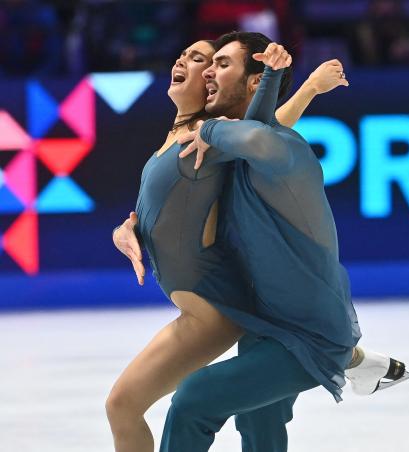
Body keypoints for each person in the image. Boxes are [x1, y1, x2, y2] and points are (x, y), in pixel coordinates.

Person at [158, 31, 409, 452]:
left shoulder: (279, 150)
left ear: (252, 82)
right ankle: (361, 364)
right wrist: (298, 84)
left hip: (310, 335)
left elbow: (259, 134)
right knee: (260, 423)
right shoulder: (245, 148)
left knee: (192, 401)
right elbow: (257, 122)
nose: (208, 72)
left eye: (221, 65)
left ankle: (355, 361)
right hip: (265, 322)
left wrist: (211, 131)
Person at [108, 39, 351, 452]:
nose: (189, 62)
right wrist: (129, 229)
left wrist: (301, 86)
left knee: (145, 405)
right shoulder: (183, 135)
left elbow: (266, 130)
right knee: (258, 420)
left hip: (212, 309)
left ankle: (343, 353)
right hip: (214, 304)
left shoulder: (206, 141)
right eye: (186, 54)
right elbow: (163, 206)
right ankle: (351, 356)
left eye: (206, 61)